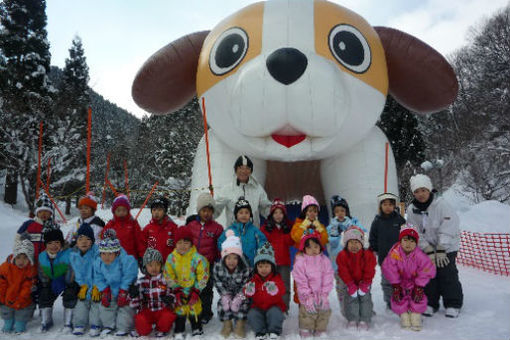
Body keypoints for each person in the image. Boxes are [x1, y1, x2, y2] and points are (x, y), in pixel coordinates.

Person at [406, 174, 463, 318]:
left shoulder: (441, 205)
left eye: (423, 190)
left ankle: (453, 304)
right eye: (417, 191)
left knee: (446, 274)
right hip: (427, 247)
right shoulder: (412, 209)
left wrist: (442, 247)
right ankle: (431, 303)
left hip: (447, 247)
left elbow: (450, 225)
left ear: (429, 190)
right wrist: (426, 248)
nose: (420, 194)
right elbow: (415, 231)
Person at [382, 224, 436, 331]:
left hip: (414, 282)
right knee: (399, 298)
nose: (408, 244)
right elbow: (389, 267)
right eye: (405, 240)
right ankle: (404, 316)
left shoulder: (419, 254)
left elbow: (427, 268)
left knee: (418, 297)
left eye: (412, 241)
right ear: (400, 241)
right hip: (400, 282)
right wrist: (396, 284)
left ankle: (416, 316)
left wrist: (419, 285)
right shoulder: (395, 253)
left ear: (416, 243)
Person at [164, 227, 209, 340]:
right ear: (175, 243)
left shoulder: (198, 259)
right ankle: (179, 327)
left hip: (193, 290)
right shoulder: (171, 258)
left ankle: (196, 326)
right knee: (179, 308)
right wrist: (176, 290)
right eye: (179, 242)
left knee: (195, 308)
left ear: (191, 243)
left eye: (186, 242)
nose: (182, 245)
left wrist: (197, 290)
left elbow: (203, 275)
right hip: (179, 291)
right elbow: (168, 275)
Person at [186, 192, 224, 324]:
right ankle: (194, 310)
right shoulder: (191, 226)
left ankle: (206, 312)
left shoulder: (217, 228)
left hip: (208, 264)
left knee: (207, 289)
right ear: (199, 211)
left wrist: (219, 261)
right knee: (193, 288)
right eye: (203, 210)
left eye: (209, 210)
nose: (206, 213)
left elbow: (219, 246)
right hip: (193, 264)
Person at [93, 231, 138, 337]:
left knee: (126, 308)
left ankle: (123, 326)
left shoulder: (126, 260)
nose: (106, 257)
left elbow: (129, 274)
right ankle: (109, 324)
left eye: (110, 253)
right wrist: (104, 289)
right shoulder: (99, 263)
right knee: (105, 305)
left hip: (126, 289)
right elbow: (98, 277)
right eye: (103, 253)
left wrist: (124, 289)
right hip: (110, 289)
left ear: (117, 253)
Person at [292, 231, 334, 338]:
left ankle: (320, 328)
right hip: (307, 296)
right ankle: (306, 328)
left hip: (321, 295)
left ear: (320, 247)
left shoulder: (325, 261)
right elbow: (301, 281)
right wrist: (308, 296)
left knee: (324, 311)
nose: (313, 250)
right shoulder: (300, 262)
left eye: (316, 246)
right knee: (307, 312)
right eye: (309, 247)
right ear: (304, 249)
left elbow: (328, 277)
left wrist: (324, 294)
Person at [368, 192, 406, 309]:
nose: (388, 207)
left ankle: (402, 298)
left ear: (394, 206)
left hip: (400, 259)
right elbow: (372, 237)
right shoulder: (377, 221)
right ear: (380, 206)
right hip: (384, 259)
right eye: (385, 204)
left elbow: (406, 235)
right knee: (387, 282)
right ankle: (390, 302)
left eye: (390, 204)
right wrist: (374, 249)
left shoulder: (399, 220)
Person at [336, 226, 376, 330]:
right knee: (351, 298)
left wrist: (366, 283)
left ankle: (365, 319)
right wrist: (350, 284)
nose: (354, 245)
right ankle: (352, 319)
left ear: (362, 243)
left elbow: (370, 269)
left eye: (357, 242)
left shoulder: (368, 255)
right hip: (350, 282)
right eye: (351, 242)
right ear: (346, 244)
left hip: (364, 281)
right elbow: (343, 270)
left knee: (365, 298)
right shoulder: (342, 255)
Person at [130, 248, 177, 337]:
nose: (154, 268)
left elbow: (175, 292)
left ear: (161, 266)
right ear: (145, 267)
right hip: (147, 310)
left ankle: (161, 329)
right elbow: (135, 303)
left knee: (167, 316)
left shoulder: (166, 280)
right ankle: (146, 327)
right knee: (141, 321)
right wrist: (134, 295)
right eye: (150, 265)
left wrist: (171, 297)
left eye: (157, 264)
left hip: (162, 309)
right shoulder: (141, 282)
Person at [213, 230, 251, 338]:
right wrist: (225, 295)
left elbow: (247, 285)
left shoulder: (245, 269)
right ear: (224, 258)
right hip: (227, 293)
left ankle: (240, 324)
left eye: (235, 258)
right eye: (229, 258)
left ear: (239, 258)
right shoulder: (218, 267)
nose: (231, 261)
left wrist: (239, 297)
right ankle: (227, 324)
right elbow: (218, 282)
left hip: (241, 294)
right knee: (222, 304)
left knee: (243, 305)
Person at [215, 155, 271, 227]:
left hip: (252, 233)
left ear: (251, 171)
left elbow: (265, 207)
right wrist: (205, 213)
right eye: (240, 168)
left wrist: (275, 215)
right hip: (234, 234)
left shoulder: (257, 188)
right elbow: (216, 208)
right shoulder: (227, 189)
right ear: (236, 170)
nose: (244, 171)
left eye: (247, 168)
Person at [244, 242, 286, 340]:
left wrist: (275, 289)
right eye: (260, 266)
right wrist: (248, 290)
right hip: (258, 308)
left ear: (272, 267)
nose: (263, 269)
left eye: (267, 266)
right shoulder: (254, 279)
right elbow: (245, 292)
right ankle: (260, 332)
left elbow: (282, 289)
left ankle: (274, 331)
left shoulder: (276, 278)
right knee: (252, 314)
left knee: (275, 313)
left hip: (273, 307)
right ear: (256, 267)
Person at [38, 229, 76, 333]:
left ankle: (68, 321)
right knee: (44, 293)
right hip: (51, 281)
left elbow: (72, 270)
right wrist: (46, 283)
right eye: (50, 243)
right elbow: (42, 272)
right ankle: (47, 320)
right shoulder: (42, 256)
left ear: (61, 243)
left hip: (68, 281)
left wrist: (69, 283)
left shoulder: (69, 253)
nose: (53, 246)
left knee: (70, 294)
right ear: (46, 244)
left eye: (57, 242)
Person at [326, 195, 361, 308]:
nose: (340, 213)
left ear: (347, 211)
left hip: (355, 263)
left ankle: (361, 308)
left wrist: (350, 228)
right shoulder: (331, 227)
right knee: (342, 289)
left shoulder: (354, 222)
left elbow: (362, 234)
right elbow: (332, 243)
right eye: (336, 211)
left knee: (357, 287)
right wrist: (335, 231)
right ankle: (345, 310)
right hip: (339, 265)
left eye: (342, 210)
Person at [260, 198, 293, 310]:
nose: (278, 215)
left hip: (284, 262)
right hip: (270, 263)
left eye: (281, 213)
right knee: (270, 285)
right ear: (271, 214)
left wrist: (286, 233)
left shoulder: (288, 226)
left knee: (284, 286)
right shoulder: (266, 227)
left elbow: (292, 241)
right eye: (275, 212)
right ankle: (271, 307)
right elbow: (261, 241)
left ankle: (284, 308)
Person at [68, 223, 100, 335]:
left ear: (92, 241)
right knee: (82, 303)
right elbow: (78, 274)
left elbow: (99, 272)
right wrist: (83, 286)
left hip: (97, 286)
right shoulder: (74, 256)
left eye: (87, 239)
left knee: (96, 303)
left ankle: (95, 324)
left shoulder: (97, 253)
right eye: (80, 239)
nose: (84, 242)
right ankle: (79, 324)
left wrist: (96, 286)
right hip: (85, 286)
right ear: (76, 241)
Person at [217, 198, 267, 267]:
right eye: (241, 212)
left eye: (246, 212)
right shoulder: (230, 231)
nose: (244, 215)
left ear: (250, 215)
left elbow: (263, 243)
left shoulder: (255, 231)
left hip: (251, 266)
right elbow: (220, 243)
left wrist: (259, 255)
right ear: (236, 215)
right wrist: (227, 253)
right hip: (234, 267)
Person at [0, 239, 37, 334]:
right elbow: (1, 284)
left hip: (23, 301)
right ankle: (9, 322)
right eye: (18, 257)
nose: (21, 261)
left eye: (25, 258)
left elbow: (27, 287)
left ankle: (20, 323)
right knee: (6, 314)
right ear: (14, 257)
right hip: (7, 299)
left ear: (30, 259)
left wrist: (19, 300)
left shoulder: (31, 270)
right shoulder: (5, 267)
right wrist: (1, 299)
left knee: (21, 317)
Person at [16, 193, 59, 265]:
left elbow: (59, 243)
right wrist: (19, 254)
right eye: (40, 211)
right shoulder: (29, 224)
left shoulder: (54, 226)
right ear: (37, 213)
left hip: (47, 261)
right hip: (30, 260)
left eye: (46, 211)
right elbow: (18, 239)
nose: (43, 214)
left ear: (51, 213)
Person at [101, 194, 146, 261]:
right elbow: (104, 239)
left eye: (124, 210)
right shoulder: (111, 224)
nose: (121, 212)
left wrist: (142, 255)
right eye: (118, 210)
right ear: (114, 211)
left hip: (130, 258)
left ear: (127, 211)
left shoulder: (133, 223)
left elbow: (139, 240)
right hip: (114, 259)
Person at [142, 196, 178, 262]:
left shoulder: (172, 227)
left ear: (165, 211)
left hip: (169, 264)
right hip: (153, 264)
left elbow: (178, 245)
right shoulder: (147, 228)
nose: (156, 212)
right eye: (154, 210)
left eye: (159, 210)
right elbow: (142, 246)